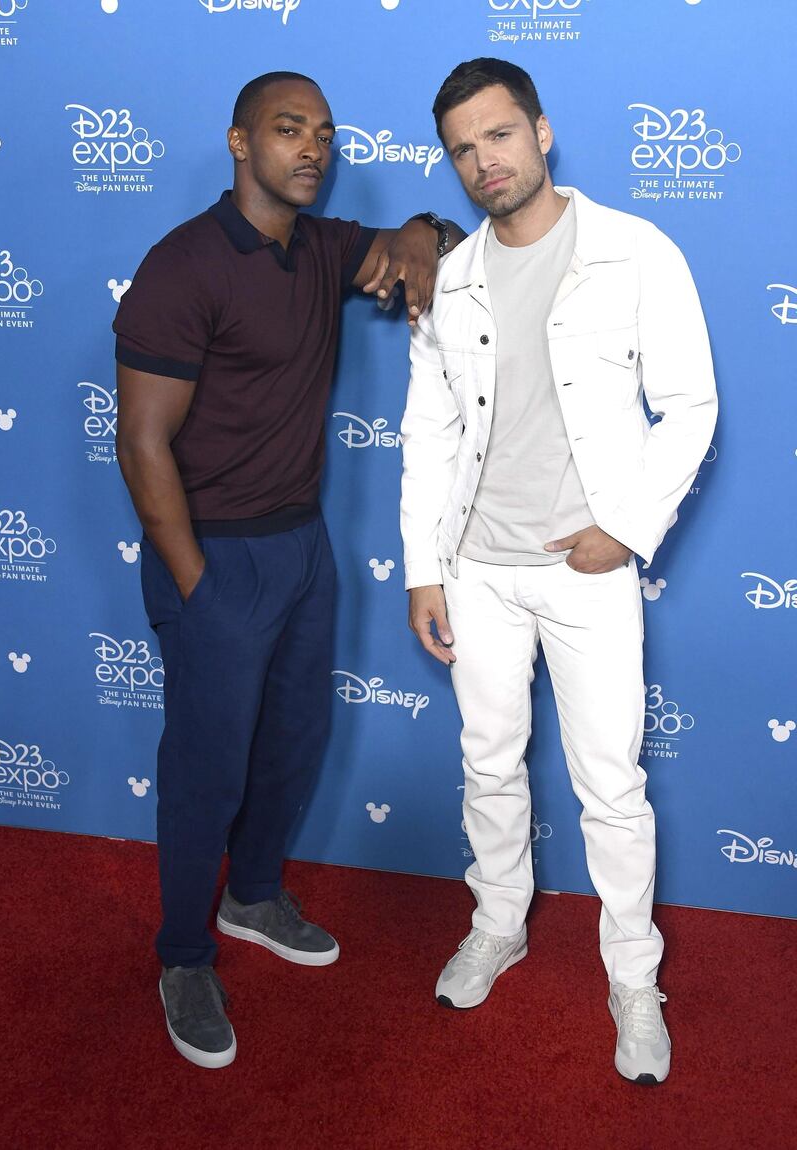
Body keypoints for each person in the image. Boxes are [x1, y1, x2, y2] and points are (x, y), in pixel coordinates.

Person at [114, 70, 462, 1070]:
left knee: (294, 741)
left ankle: (252, 892)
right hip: (214, 553)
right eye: (285, 128)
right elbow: (142, 444)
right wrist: (194, 582)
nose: (310, 146)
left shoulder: (318, 246)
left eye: (321, 132)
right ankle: (183, 954)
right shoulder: (181, 266)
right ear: (237, 143)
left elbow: (412, 239)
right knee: (204, 766)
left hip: (304, 546)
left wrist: (423, 239)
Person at [400, 58, 717, 1085]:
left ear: (539, 132)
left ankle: (633, 978)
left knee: (609, 787)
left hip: (584, 570)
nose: (481, 161)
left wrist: (621, 529)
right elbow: (427, 434)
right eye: (460, 147)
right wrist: (423, 568)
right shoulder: (446, 276)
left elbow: (691, 404)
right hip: (476, 568)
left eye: (497, 135)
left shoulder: (633, 250)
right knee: (488, 764)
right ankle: (498, 921)